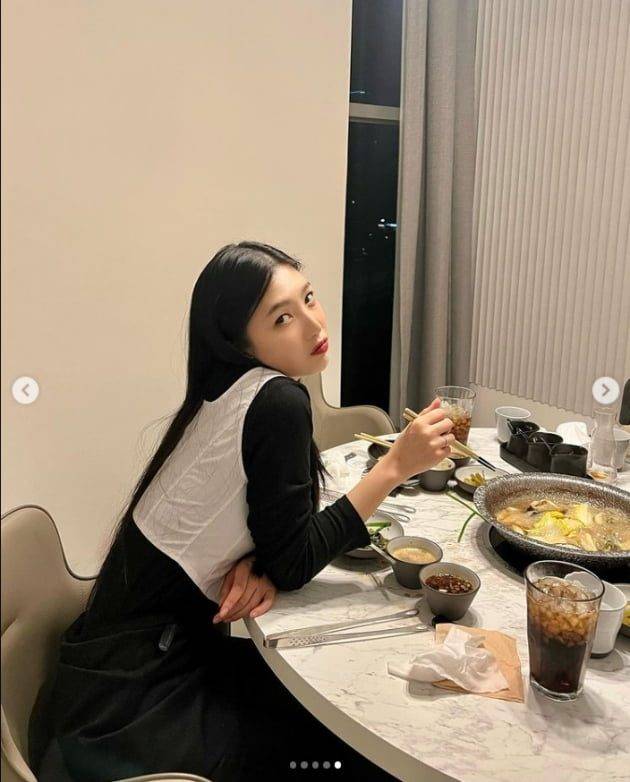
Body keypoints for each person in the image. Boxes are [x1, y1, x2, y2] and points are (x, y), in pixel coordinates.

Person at [28, 241, 455, 781]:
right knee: (339, 747)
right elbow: (295, 562)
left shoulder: (227, 390)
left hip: (110, 666)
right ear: (240, 342)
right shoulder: (276, 402)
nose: (313, 324)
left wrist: (260, 560)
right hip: (134, 707)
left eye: (309, 298)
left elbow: (272, 535)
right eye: (282, 318)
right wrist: (393, 467)